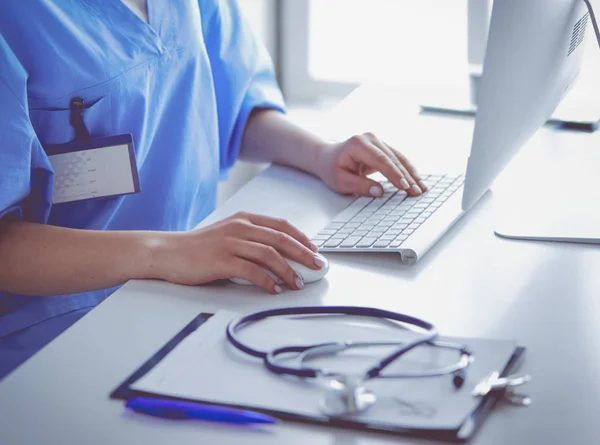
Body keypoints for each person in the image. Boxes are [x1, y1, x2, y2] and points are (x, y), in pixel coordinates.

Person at [0, 0, 427, 380]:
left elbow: (234, 105)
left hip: (192, 285)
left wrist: (318, 154)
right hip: (55, 328)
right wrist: (165, 253)